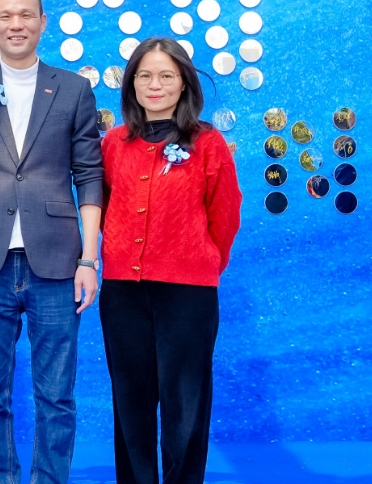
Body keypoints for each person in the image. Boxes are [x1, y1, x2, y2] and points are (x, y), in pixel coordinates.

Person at [0, 0, 104, 484]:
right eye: (6, 16)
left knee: (57, 395)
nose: (16, 24)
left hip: (57, 260)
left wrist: (89, 259)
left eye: (26, 15)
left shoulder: (73, 89)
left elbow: (89, 176)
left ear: (43, 22)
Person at [98, 37, 242, 484]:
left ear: (184, 83)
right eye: (144, 75)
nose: (154, 85)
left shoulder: (208, 143)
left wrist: (200, 261)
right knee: (131, 403)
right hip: (123, 292)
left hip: (188, 293)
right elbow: (102, 208)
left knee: (186, 406)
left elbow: (225, 215)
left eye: (166, 75)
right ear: (131, 84)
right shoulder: (113, 144)